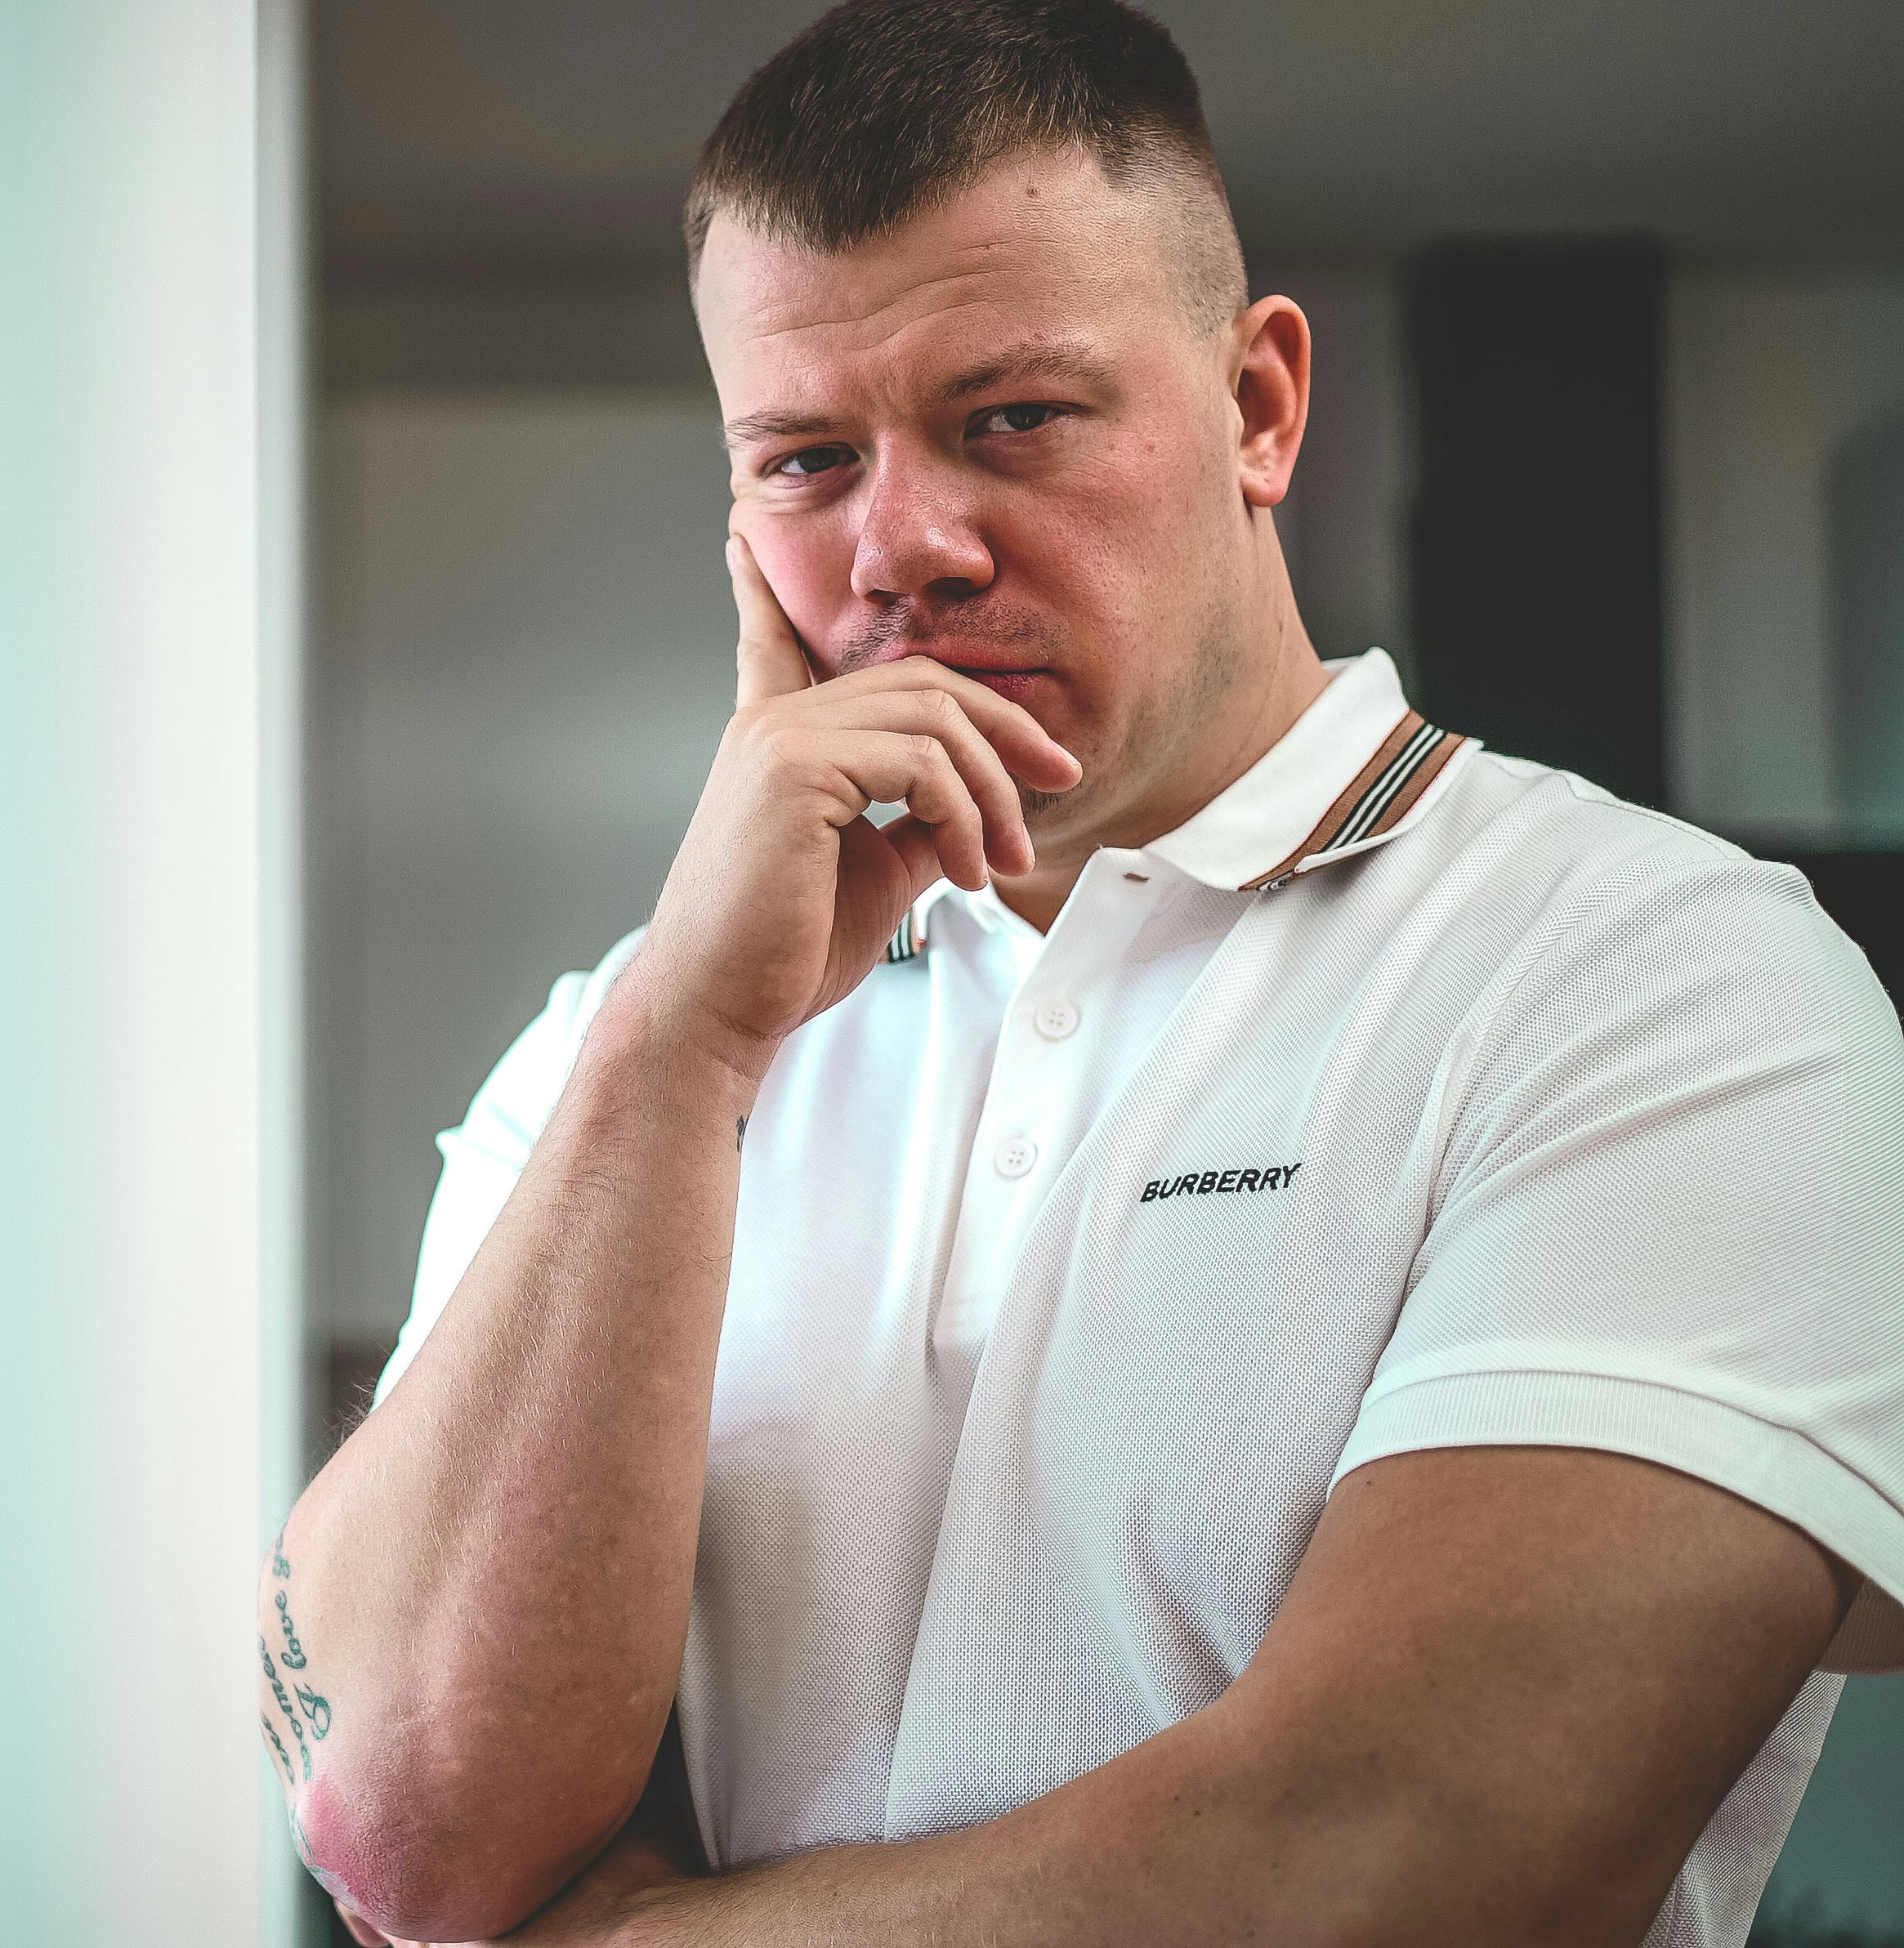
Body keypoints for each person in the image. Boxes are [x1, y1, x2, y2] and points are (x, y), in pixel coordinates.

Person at [257, 2, 1904, 1943]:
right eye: (805, 459)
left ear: (1257, 407)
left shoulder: (1660, 980)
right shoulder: (615, 1054)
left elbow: (1403, 1864)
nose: (902, 548)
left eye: (1011, 420)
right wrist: (681, 1045)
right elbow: (403, 1831)